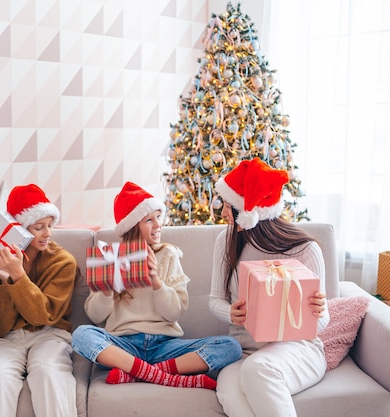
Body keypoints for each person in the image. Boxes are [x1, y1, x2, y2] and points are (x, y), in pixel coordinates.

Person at [72, 182, 242, 389]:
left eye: (158, 217)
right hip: (124, 346)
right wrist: (107, 290)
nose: (158, 225)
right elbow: (95, 316)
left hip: (164, 346)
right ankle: (163, 375)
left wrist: (157, 283)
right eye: (149, 220)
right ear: (133, 226)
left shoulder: (168, 255)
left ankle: (142, 374)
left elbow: (173, 314)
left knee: (230, 346)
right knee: (81, 334)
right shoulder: (111, 257)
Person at [209, 157, 329, 417]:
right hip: (244, 351)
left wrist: (318, 312)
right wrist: (231, 313)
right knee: (230, 392)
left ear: (247, 211)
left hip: (298, 350)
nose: (223, 213)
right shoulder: (226, 241)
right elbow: (214, 300)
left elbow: (321, 323)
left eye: (228, 206)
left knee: (258, 369)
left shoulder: (305, 250)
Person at [0, 184, 78, 417]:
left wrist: (18, 276)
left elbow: (43, 316)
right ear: (18, 230)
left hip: (49, 333)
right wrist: (4, 284)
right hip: (8, 338)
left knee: (46, 369)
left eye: (50, 226)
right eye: (39, 227)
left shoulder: (63, 262)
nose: (48, 234)